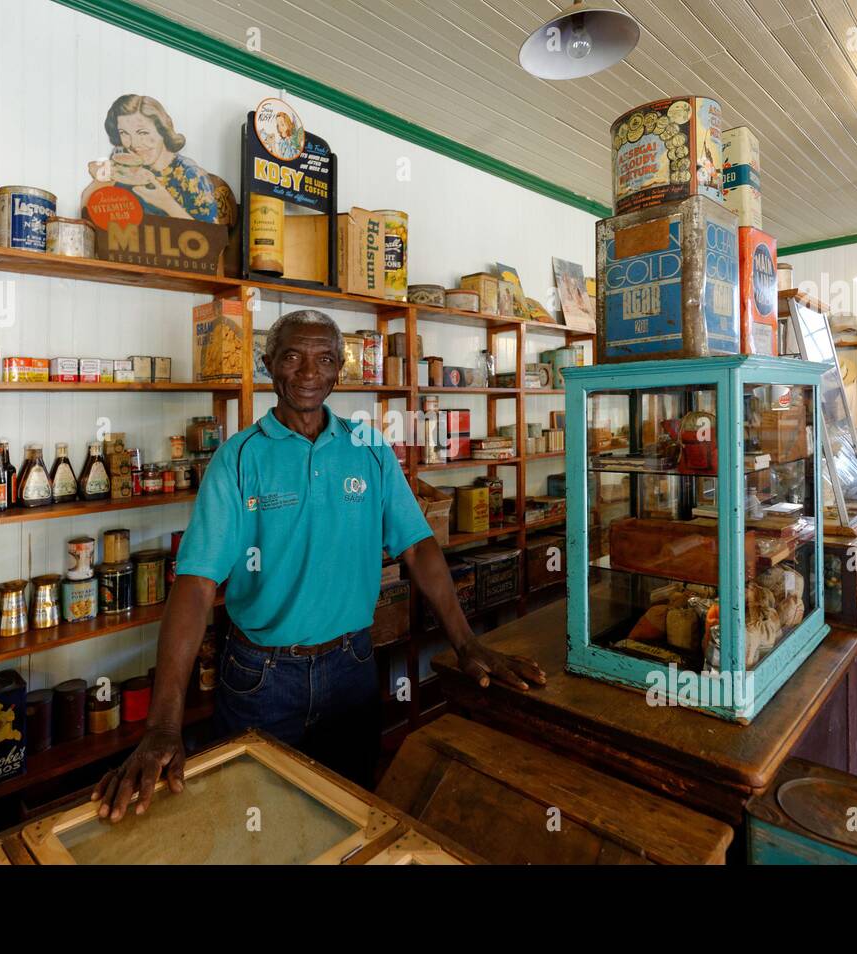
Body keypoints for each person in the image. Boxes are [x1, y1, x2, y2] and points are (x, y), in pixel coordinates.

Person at [92, 309, 545, 821]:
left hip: (351, 666)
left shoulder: (370, 450)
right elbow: (196, 585)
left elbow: (417, 547)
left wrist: (467, 644)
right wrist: (163, 725)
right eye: (292, 356)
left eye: (324, 359)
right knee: (251, 816)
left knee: (348, 810)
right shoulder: (239, 459)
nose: (308, 372)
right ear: (269, 365)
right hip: (260, 676)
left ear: (339, 371)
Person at [85, 94, 219, 222]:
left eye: (142, 132)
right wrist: (100, 181)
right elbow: (87, 215)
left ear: (162, 130)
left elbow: (216, 240)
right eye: (124, 133)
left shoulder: (190, 174)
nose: (133, 144)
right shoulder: (124, 166)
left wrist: (167, 204)